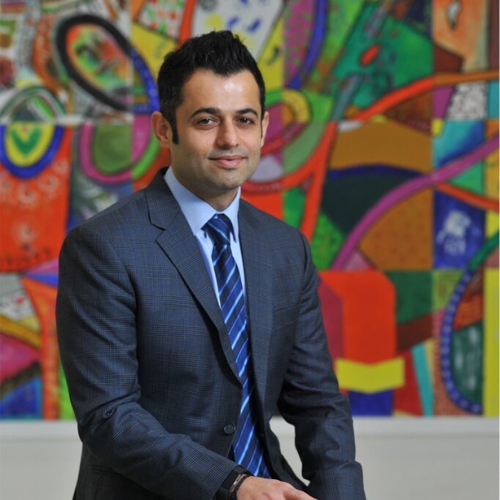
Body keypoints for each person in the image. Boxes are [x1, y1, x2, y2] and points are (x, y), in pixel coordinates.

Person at [56, 31, 365, 500]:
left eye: (244, 120)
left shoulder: (286, 248)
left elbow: (318, 402)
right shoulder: (103, 247)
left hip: (270, 486)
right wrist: (234, 486)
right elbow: (109, 416)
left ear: (263, 127)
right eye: (206, 120)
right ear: (165, 129)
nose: (230, 139)